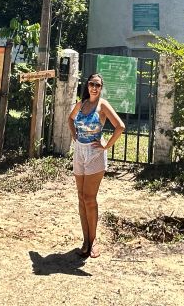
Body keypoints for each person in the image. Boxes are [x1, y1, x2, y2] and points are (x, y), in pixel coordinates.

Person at [68, 72, 125, 258]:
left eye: (98, 85)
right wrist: (74, 136)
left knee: (89, 198)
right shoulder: (82, 104)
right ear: (87, 85)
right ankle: (85, 240)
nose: (94, 87)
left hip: (95, 155)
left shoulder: (102, 105)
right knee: (81, 197)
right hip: (79, 153)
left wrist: (106, 145)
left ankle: (93, 242)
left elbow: (120, 126)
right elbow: (70, 119)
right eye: (92, 84)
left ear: (101, 88)